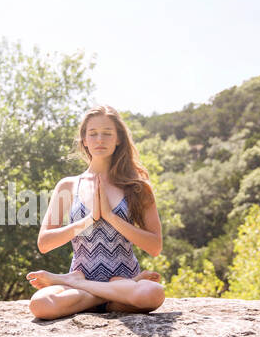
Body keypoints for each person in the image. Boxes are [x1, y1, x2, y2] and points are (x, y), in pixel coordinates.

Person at [26, 105, 166, 318]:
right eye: (93, 134)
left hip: (125, 281)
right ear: (84, 140)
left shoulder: (138, 187)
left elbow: (155, 246)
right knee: (40, 304)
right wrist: (89, 220)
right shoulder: (68, 186)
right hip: (81, 283)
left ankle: (91, 292)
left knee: (154, 293)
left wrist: (110, 217)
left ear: (118, 139)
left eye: (107, 134)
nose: (100, 139)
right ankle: (107, 299)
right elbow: (44, 243)